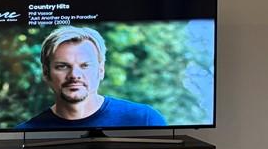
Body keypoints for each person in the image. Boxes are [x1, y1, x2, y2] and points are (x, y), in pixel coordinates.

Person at [17, 26, 166, 129]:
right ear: (46, 73)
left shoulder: (145, 120)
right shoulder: (26, 134)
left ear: (101, 70)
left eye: (85, 66)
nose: (74, 75)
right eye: (62, 66)